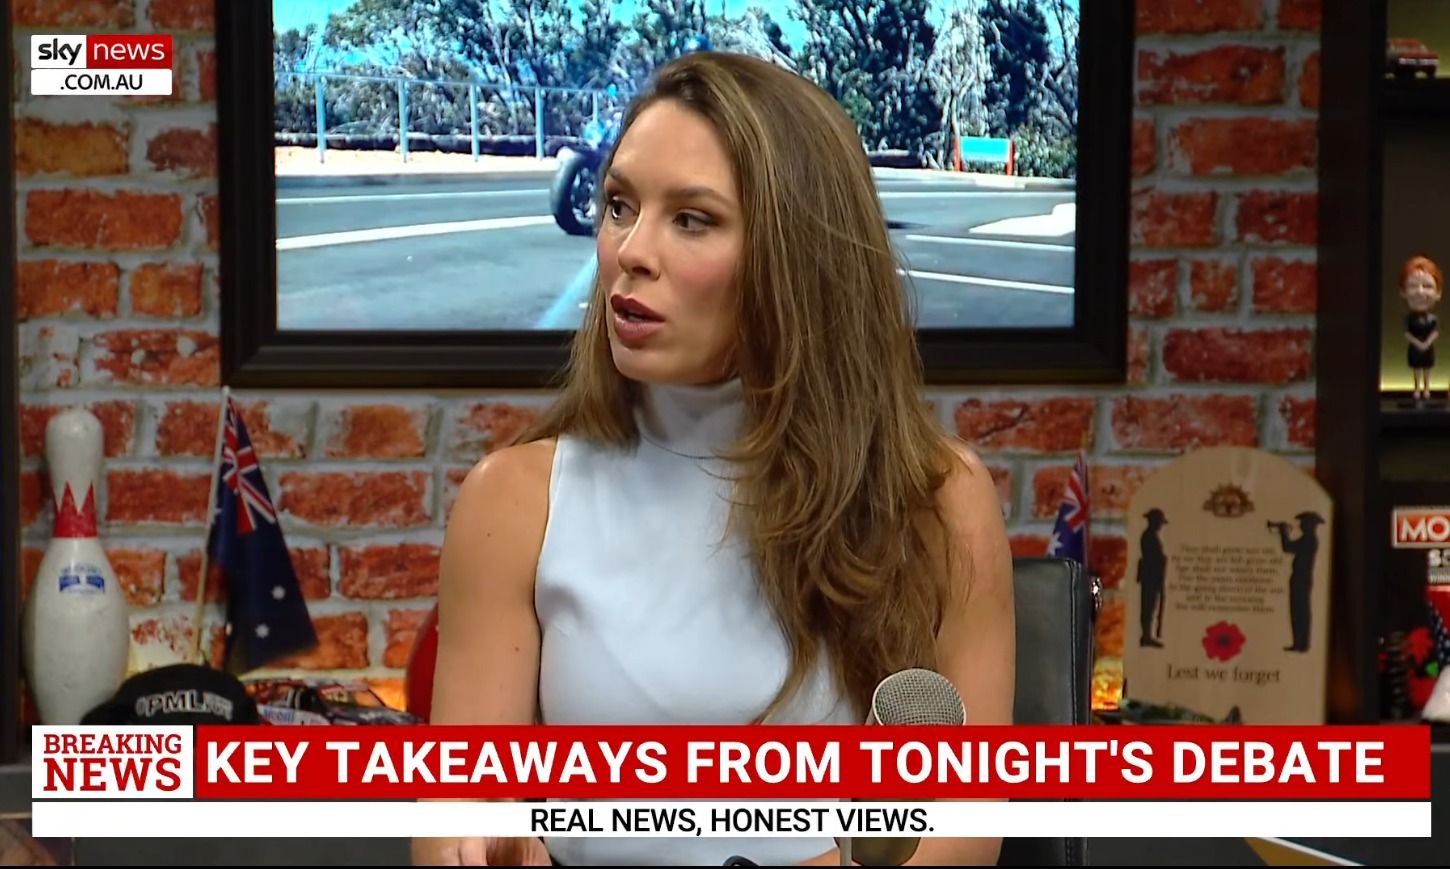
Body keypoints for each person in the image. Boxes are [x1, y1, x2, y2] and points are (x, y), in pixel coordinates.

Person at [412, 51, 1014, 867]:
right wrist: (483, 843)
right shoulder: (512, 503)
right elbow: (453, 824)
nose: (631, 250)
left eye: (691, 219)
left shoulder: (938, 500)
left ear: (796, 257)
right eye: (619, 205)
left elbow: (962, 836)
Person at [1401, 254, 1443, 403]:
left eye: (1427, 286)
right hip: (1415, 348)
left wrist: (1427, 343)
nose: (1420, 292)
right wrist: (1417, 343)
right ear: (1403, 292)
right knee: (1416, 369)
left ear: (1438, 293)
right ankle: (1417, 389)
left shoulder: (1432, 319)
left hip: (1427, 349)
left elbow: (1436, 332)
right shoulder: (1409, 318)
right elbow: (1407, 333)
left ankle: (1426, 389)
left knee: (1427, 369)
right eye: (1413, 286)